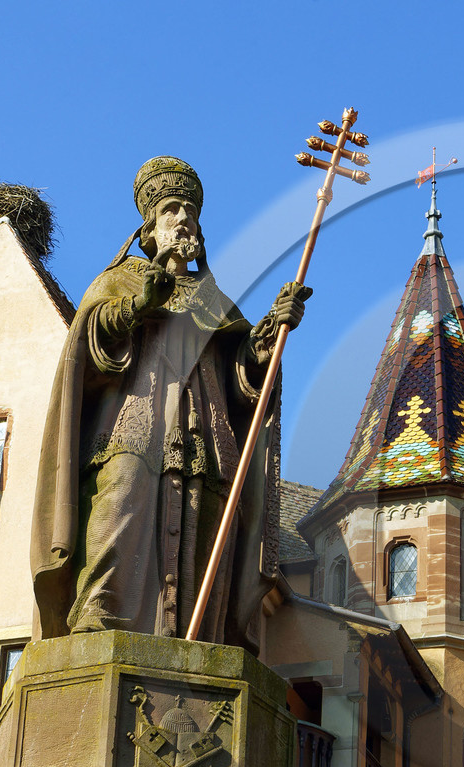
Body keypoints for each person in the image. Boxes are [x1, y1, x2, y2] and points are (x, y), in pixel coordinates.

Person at [31, 156, 308, 653]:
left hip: (207, 434)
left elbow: (244, 375)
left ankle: (197, 641)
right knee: (120, 505)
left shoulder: (215, 300)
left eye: (191, 213)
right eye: (172, 211)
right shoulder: (121, 279)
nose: (184, 220)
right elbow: (88, 341)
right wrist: (140, 305)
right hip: (132, 423)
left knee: (207, 527)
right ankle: (97, 628)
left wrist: (269, 336)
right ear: (149, 230)